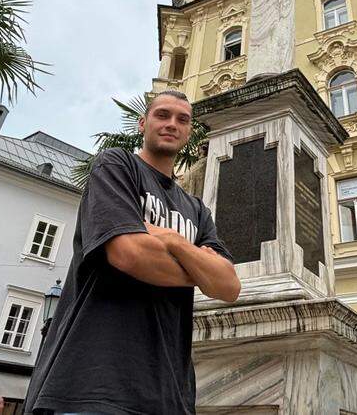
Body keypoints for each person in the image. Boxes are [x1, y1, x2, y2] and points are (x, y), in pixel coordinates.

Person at [24, 90, 240, 415]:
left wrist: (171, 240)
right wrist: (198, 267)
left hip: (170, 391)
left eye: (182, 119)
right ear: (143, 123)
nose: (172, 124)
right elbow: (128, 254)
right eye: (162, 115)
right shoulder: (117, 165)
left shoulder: (196, 209)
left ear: (190, 132)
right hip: (94, 382)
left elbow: (228, 286)